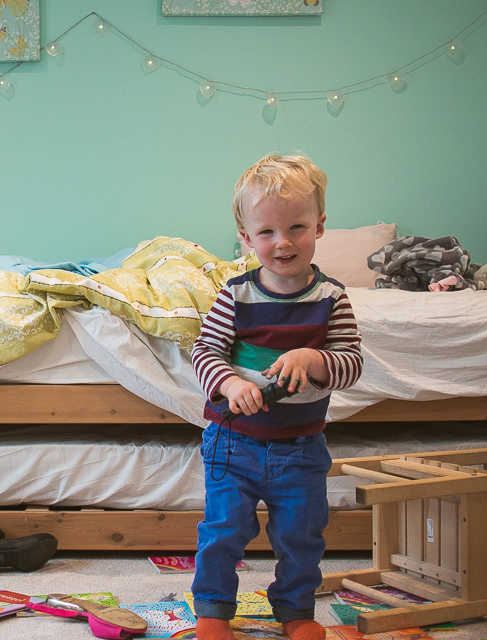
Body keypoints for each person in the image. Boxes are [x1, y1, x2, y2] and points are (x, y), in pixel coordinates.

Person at [189, 154, 363, 640]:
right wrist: (230, 382)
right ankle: (214, 612)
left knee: (301, 536)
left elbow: (352, 362)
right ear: (246, 238)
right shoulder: (235, 295)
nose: (282, 242)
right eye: (266, 232)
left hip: (301, 446)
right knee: (223, 531)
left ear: (320, 227)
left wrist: (314, 360)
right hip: (232, 441)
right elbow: (204, 350)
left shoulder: (332, 298)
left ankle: (296, 612)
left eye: (296, 227)